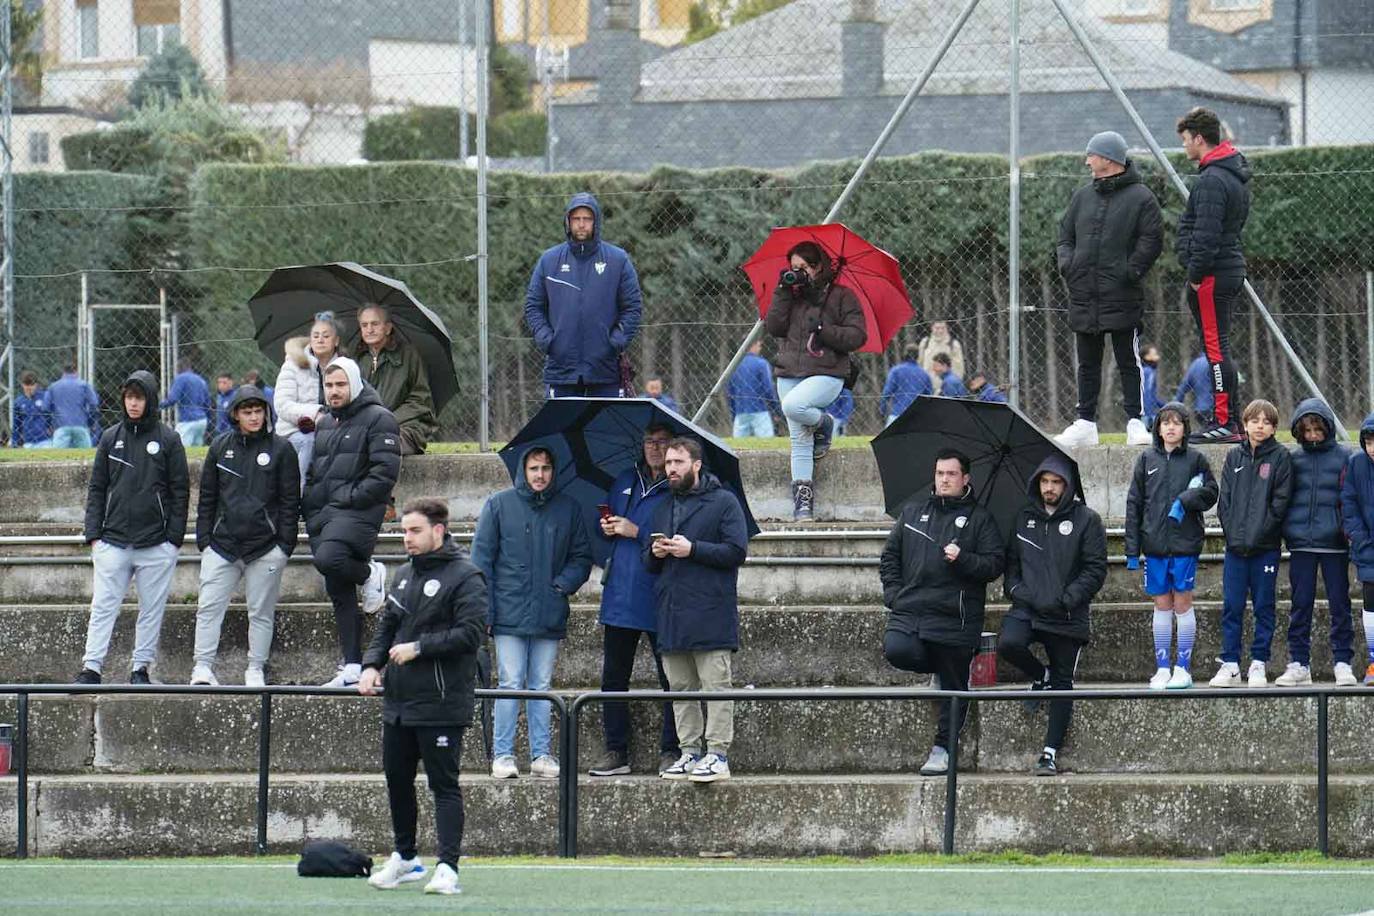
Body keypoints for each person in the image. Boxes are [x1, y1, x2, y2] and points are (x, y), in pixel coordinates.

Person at [359, 498, 486, 897]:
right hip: (399, 701)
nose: (407, 539)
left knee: (443, 785)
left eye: (414, 531)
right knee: (397, 780)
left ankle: (448, 866)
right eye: (403, 532)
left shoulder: (466, 577)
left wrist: (420, 647)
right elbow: (387, 626)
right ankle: (406, 857)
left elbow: (471, 635)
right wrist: (370, 665)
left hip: (441, 702)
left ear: (439, 530)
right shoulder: (403, 575)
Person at [879, 448, 1004, 776]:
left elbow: (993, 565)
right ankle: (941, 665)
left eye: (951, 474)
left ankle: (943, 747)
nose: (944, 479)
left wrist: (963, 558)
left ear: (965, 478)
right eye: (940, 473)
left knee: (954, 682)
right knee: (897, 651)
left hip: (955, 615)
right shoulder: (913, 511)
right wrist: (894, 595)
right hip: (911, 609)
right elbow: (890, 557)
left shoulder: (981, 519)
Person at [471, 446, 592, 780]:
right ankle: (503, 754)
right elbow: (481, 563)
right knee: (510, 682)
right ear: (523, 470)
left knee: (541, 684)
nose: (540, 474)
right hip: (508, 612)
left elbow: (581, 557)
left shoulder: (568, 508)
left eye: (547, 467)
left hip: (548, 612)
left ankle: (541, 753)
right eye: (534, 468)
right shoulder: (498, 505)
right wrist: (485, 613)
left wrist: (562, 586)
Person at [74, 370, 189, 684]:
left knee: (151, 610)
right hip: (113, 541)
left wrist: (173, 539)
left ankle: (140, 669)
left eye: (139, 398)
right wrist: (94, 536)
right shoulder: (111, 437)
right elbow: (97, 488)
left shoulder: (169, 439)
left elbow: (180, 491)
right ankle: (92, 668)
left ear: (150, 400)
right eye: (129, 397)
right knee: (103, 607)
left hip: (156, 544)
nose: (133, 404)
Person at [1053, 130, 1163, 449]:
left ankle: (1136, 422)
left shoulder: (1142, 197)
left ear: (1109, 159)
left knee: (1128, 358)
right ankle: (1085, 422)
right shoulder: (1082, 196)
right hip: (1083, 294)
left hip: (1122, 294)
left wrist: (1130, 272)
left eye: (1092, 155)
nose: (1087, 161)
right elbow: (1065, 236)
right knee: (1087, 361)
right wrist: (1068, 266)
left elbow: (1151, 239)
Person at [648, 437, 749, 783]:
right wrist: (656, 553)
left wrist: (693, 549)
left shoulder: (723, 502)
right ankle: (689, 751)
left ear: (696, 464)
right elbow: (649, 561)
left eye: (678, 462)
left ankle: (718, 754)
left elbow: (736, 551)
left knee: (715, 686)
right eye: (668, 463)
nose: (671, 468)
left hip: (710, 611)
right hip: (671, 612)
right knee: (680, 688)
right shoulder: (663, 504)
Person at [998, 455, 1107, 776]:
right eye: (1044, 482)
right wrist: (1020, 593)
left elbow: (1094, 569)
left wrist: (1067, 599)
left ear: (1067, 485)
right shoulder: (1023, 518)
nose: (1049, 488)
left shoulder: (1087, 520)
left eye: (1056, 482)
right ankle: (1039, 676)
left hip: (1066, 615)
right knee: (1007, 644)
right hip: (1028, 608)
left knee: (1063, 682)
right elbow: (1012, 568)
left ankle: (1049, 752)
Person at [190, 386, 300, 688]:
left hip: (265, 548)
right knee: (209, 607)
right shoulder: (219, 447)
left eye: (258, 411)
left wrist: (284, 546)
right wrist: (205, 540)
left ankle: (255, 668)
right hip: (222, 545)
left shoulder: (281, 449)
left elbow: (291, 502)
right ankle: (202, 667)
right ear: (236, 415)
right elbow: (208, 497)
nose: (253, 417)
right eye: (247, 412)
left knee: (261, 612)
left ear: (265, 412)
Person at [301, 357, 400, 688]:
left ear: (355, 384)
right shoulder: (326, 422)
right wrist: (311, 507)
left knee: (329, 559)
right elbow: (317, 471)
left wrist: (349, 496)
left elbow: (384, 473)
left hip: (357, 511)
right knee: (337, 589)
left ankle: (372, 573)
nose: (334, 391)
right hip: (324, 514)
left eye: (340, 384)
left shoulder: (379, 418)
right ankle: (353, 666)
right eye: (329, 385)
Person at [588, 423, 680, 777]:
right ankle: (616, 750)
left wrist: (635, 530)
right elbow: (611, 525)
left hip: (660, 594)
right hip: (620, 594)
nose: (655, 448)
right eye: (649, 442)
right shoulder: (625, 478)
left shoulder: (676, 488)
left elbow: (676, 537)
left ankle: (671, 749)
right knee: (613, 678)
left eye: (662, 443)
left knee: (670, 677)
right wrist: (609, 526)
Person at [764, 241, 867, 521]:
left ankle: (824, 423)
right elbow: (773, 327)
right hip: (789, 372)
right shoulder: (790, 295)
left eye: (803, 268)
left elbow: (858, 336)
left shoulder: (841, 296)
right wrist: (783, 291)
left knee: (793, 406)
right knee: (799, 439)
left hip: (827, 372)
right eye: (792, 268)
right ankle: (803, 502)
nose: (797, 273)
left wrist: (825, 330)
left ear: (818, 266)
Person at [1123, 402, 1217, 690]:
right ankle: (1162, 667)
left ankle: (1183, 668)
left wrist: (1188, 499)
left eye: (1177, 423)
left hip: (1185, 546)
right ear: (1158, 428)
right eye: (1166, 423)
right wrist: (1131, 549)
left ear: (1185, 428)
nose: (1171, 427)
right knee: (1161, 606)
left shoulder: (1196, 459)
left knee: (1182, 604)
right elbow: (1134, 504)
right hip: (1154, 547)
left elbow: (1211, 493)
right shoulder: (1145, 459)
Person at [1176, 107, 1251, 444]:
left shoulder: (1211, 180)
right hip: (1225, 269)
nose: (1184, 147)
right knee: (1218, 348)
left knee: (1215, 350)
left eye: (1186, 141)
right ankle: (1229, 420)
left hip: (1212, 276)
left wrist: (1194, 274)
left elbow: (1206, 234)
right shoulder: (1231, 175)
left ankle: (1224, 422)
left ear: (1199, 139)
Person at [524, 192, 643, 398]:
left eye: (587, 219)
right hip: (561, 371)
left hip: (605, 371)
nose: (581, 224)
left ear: (595, 222)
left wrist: (614, 342)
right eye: (576, 219)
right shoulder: (549, 260)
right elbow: (533, 306)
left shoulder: (618, 260)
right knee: (562, 430)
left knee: (605, 430)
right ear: (567, 222)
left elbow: (632, 307)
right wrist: (548, 340)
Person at [1209, 399, 1292, 688]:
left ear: (1273, 427)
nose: (1259, 426)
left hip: (1265, 550)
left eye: (1266, 421)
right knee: (1232, 606)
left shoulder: (1281, 458)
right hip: (1235, 550)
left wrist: (1260, 536)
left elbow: (1279, 505)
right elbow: (1225, 503)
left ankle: (1259, 662)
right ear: (1244, 424)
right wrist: (1234, 536)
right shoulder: (1234, 457)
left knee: (1264, 607)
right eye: (1254, 420)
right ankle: (1230, 664)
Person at [1277, 399, 1357, 687]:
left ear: (1327, 428)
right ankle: (1299, 662)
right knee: (1300, 605)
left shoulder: (1345, 457)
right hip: (1301, 545)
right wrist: (1289, 530)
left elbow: (1351, 499)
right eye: (1307, 430)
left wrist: (1344, 530)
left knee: (1340, 605)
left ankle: (1343, 662)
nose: (1312, 435)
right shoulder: (1292, 458)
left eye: (1317, 429)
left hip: (1335, 545)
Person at [355, 303, 438, 456]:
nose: (369, 329)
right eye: (364, 325)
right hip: (366, 428)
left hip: (406, 427)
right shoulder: (356, 360)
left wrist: (388, 420)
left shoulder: (409, 355)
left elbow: (420, 400)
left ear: (388, 328)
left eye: (375, 324)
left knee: (382, 445)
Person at [275, 313, 343, 486]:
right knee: (310, 441)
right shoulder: (292, 365)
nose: (320, 339)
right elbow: (282, 405)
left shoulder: (344, 367)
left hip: (334, 428)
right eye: (316, 335)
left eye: (326, 336)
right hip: (295, 430)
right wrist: (316, 414)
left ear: (336, 341)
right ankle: (299, 499)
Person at [1339, 414, 1374, 685]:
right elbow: (1348, 505)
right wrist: (1361, 539)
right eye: (1368, 441)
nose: (1372, 447)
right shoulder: (1356, 463)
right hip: (1368, 550)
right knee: (1371, 607)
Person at [726, 340, 778, 438]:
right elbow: (768, 389)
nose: (760, 349)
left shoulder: (735, 364)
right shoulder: (761, 363)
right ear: (752, 346)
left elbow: (730, 391)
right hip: (759, 409)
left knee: (738, 447)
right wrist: (775, 409)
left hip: (740, 410)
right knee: (767, 443)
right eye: (758, 346)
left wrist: (733, 413)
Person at [160, 357, 213, 446]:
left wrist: (158, 405)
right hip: (202, 420)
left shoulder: (181, 378)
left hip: (188, 420)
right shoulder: (200, 380)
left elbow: (173, 399)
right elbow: (207, 403)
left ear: (178, 368)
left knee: (179, 448)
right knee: (196, 452)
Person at [47, 363, 100, 448]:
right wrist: (91, 423)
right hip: (80, 425)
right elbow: (93, 404)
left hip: (61, 425)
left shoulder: (53, 386)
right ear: (76, 371)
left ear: (63, 372)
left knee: (58, 457)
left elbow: (45, 408)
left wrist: (49, 424)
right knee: (85, 456)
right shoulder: (84, 385)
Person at [880, 344, 932, 426]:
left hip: (898, 413)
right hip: (917, 415)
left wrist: (882, 410)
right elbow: (929, 397)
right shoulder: (924, 374)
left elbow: (887, 393)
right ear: (918, 356)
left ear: (904, 355)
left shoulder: (896, 371)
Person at [916, 320, 965, 387]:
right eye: (937, 328)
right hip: (927, 385)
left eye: (943, 328)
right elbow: (919, 363)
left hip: (946, 385)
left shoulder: (954, 344)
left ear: (947, 329)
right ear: (932, 328)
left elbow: (959, 368)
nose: (940, 331)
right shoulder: (925, 343)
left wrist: (955, 384)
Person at [12, 371, 52, 448]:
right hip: (28, 441)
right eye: (26, 385)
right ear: (22, 385)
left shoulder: (44, 396)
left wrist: (51, 427)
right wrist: (15, 442)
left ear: (36, 385)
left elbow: (51, 414)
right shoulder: (18, 402)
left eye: (32, 385)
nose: (29, 387)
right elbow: (16, 424)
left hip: (45, 440)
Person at [1175, 353, 1216, 421]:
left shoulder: (1195, 364)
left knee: (1205, 430)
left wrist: (1176, 405)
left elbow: (1184, 386)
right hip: (1214, 408)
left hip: (1199, 409)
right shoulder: (1217, 363)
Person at [1140, 344, 1165, 429]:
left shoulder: (1145, 371)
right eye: (1155, 354)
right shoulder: (1148, 372)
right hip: (1147, 414)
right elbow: (1147, 393)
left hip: (1147, 411)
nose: (1158, 357)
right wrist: (1149, 413)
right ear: (1147, 357)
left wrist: (1163, 405)